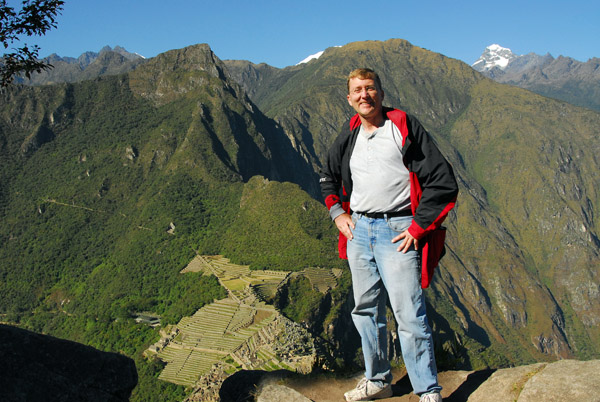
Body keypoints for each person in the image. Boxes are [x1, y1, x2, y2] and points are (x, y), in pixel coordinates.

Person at [319, 68, 458, 402]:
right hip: (359, 230)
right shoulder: (350, 132)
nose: (363, 95)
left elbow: (442, 180)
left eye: (370, 89)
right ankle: (378, 379)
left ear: (380, 93)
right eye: (357, 90)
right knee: (365, 309)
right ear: (349, 97)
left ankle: (427, 390)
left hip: (398, 231)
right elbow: (327, 176)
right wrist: (338, 214)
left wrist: (417, 226)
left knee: (409, 313)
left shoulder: (402, 127)